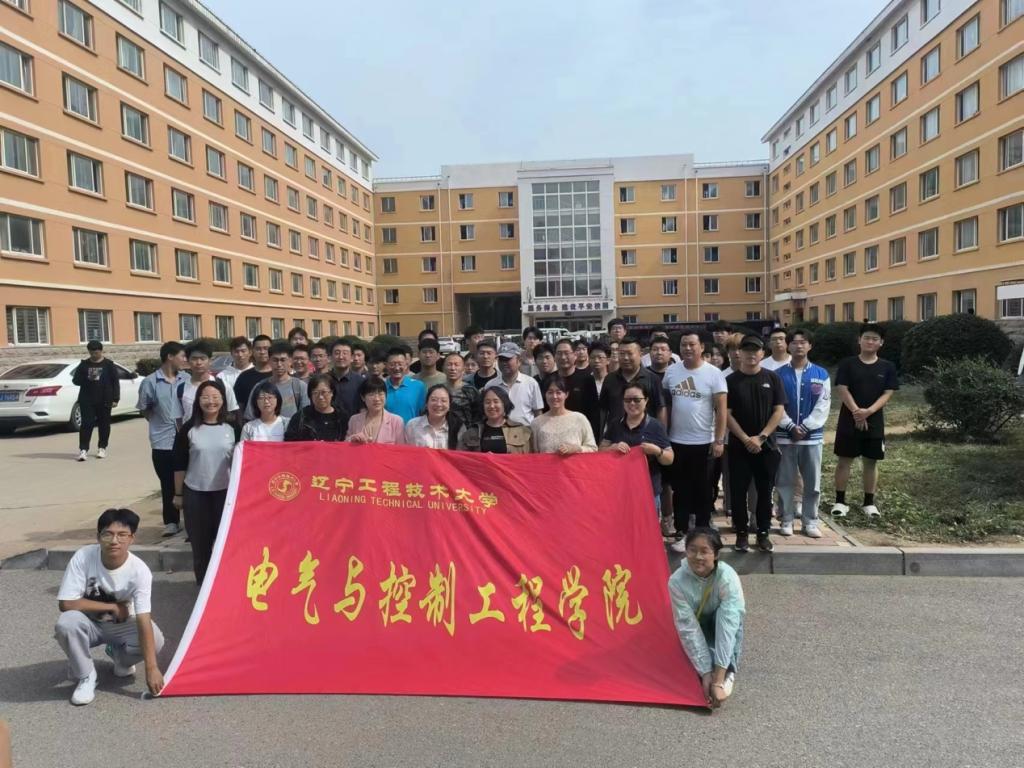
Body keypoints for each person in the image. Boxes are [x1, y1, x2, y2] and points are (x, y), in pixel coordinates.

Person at [55, 508, 165, 706]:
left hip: (121, 625)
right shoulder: (83, 557)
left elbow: (143, 618)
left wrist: (152, 668)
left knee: (156, 639)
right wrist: (112, 607)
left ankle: (120, 659)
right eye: (108, 534)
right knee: (66, 623)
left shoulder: (140, 571)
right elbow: (66, 603)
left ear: (132, 538)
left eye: (122, 535)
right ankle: (86, 676)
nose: (114, 541)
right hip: (89, 623)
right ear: (98, 537)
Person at [662, 331, 728, 545]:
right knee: (680, 488)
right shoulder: (671, 371)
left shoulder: (713, 373)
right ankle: (681, 530)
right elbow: (666, 406)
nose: (688, 348)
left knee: (704, 489)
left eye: (692, 344)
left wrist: (719, 440)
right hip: (676, 440)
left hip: (704, 441)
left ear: (701, 348)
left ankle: (702, 530)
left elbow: (721, 410)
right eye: (684, 344)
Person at [668, 528, 745, 710]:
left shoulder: (727, 577)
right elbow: (687, 627)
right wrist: (705, 672)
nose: (698, 557)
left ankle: (729, 671)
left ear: (716, 555)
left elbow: (728, 625)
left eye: (705, 551)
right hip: (697, 624)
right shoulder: (676, 581)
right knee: (692, 670)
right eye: (692, 550)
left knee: (727, 622)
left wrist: (718, 679)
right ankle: (708, 667)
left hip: (721, 623)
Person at [173, 381, 239, 584]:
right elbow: (179, 464)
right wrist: (178, 494)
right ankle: (203, 587)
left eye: (216, 397)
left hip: (225, 494)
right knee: (200, 546)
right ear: (198, 401)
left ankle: (224, 586)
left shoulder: (233, 427)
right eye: (205, 397)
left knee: (225, 543)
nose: (211, 402)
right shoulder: (189, 428)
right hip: (195, 494)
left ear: (223, 400)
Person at [831, 323, 898, 519]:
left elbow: (888, 393)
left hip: (874, 420)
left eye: (875, 339)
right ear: (859, 340)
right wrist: (856, 412)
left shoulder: (887, 367)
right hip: (848, 419)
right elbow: (842, 389)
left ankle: (869, 503)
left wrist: (868, 412)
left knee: (871, 461)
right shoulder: (847, 364)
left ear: (881, 343)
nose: (870, 341)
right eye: (866, 338)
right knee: (844, 460)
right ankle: (840, 501)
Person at [726, 335, 786, 553]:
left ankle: (763, 532)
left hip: (766, 446)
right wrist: (745, 439)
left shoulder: (773, 378)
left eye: (755, 350)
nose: (751, 354)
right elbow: (726, 413)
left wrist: (761, 437)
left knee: (765, 491)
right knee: (738, 492)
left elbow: (778, 410)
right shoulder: (730, 381)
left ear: (762, 353)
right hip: (738, 446)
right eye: (746, 350)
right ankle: (741, 533)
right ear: (739, 353)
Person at [775, 329, 830, 538]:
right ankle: (786, 519)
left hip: (811, 439)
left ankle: (810, 521)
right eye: (795, 342)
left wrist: (806, 427)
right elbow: (776, 406)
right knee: (785, 481)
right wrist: (790, 426)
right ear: (788, 346)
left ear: (810, 346)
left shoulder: (821, 374)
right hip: (785, 437)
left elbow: (823, 405)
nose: (799, 346)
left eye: (803, 342)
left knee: (812, 483)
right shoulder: (778, 374)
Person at [136, 341, 187, 537]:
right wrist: (159, 423)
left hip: (185, 440)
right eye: (182, 356)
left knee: (188, 482)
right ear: (170, 357)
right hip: (162, 442)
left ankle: (190, 521)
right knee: (167, 484)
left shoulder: (186, 379)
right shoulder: (150, 382)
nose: (185, 360)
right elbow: (144, 409)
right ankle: (171, 522)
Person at [600, 382, 674, 513]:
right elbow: (600, 451)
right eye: (627, 400)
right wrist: (612, 448)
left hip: (648, 491)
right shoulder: (615, 424)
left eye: (637, 400)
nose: (632, 404)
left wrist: (657, 451)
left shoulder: (656, 426)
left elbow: (669, 458)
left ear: (646, 400)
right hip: (619, 490)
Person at [599, 336, 666, 431]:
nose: (625, 358)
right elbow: (603, 409)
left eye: (630, 354)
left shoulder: (652, 379)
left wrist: (661, 434)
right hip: (616, 435)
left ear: (640, 354)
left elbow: (660, 408)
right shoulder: (610, 379)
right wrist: (600, 435)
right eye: (622, 354)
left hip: (645, 435)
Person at [72, 340, 120, 461]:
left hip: (105, 399)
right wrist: (87, 377)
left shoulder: (109, 365)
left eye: (96, 353)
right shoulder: (84, 365)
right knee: (86, 424)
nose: (94, 355)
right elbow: (75, 381)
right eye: (91, 353)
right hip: (87, 399)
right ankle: (83, 449)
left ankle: (102, 448)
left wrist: (115, 398)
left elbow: (115, 382)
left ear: (101, 351)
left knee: (104, 424)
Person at [176, 341, 239, 429]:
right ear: (188, 361)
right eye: (194, 359)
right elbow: (178, 418)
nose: (199, 362)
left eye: (203, 358)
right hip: (190, 435)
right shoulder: (180, 389)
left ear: (210, 360)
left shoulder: (223, 385)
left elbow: (233, 413)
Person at [549, 338, 601, 437]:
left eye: (567, 353)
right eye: (559, 353)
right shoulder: (550, 380)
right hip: (555, 431)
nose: (563, 357)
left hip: (580, 433)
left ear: (575, 355)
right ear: (554, 356)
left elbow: (594, 413)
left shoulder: (587, 379)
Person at [531, 377, 598, 455]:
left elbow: (593, 448)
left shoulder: (579, 419)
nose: (554, 396)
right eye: (550, 392)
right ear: (545, 395)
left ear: (566, 394)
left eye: (558, 393)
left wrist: (577, 449)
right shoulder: (536, 423)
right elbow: (533, 454)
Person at [243, 341, 308, 420]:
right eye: (275, 360)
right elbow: (250, 417)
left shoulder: (300, 386)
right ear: (269, 361)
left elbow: (306, 417)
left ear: (290, 361)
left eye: (283, 360)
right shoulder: (260, 387)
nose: (279, 364)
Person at [484, 343, 544, 426]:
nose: (504, 363)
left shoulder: (531, 383)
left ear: (519, 361)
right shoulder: (490, 385)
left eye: (507, 359)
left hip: (525, 431)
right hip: (498, 431)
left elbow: (538, 413)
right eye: (501, 359)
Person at [458, 387, 532, 453]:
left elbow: (529, 458)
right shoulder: (471, 433)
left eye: (496, 401)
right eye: (487, 402)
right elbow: (462, 458)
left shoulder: (521, 431)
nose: (492, 406)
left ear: (504, 404)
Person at [285, 374, 350, 442]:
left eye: (324, 392)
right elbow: (290, 442)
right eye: (315, 393)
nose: (320, 397)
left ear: (332, 393)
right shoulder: (301, 417)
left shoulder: (342, 418)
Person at [346, 376, 406, 445]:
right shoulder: (354, 420)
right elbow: (345, 445)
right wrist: (352, 439)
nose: (377, 399)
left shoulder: (396, 421)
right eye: (371, 394)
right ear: (363, 397)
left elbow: (400, 449)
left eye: (380, 394)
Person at [404, 384, 462, 449]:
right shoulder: (412, 425)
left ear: (449, 405)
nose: (438, 404)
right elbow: (405, 451)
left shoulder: (457, 427)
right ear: (426, 403)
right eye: (434, 400)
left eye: (443, 401)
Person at [383, 347, 427, 423]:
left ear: (406, 365)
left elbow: (423, 413)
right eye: (392, 364)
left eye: (400, 364)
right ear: (386, 365)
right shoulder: (381, 387)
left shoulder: (418, 386)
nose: (397, 368)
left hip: (412, 430)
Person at [233, 335, 272, 411]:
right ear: (252, 352)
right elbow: (239, 406)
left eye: (266, 348)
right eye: (258, 349)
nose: (262, 352)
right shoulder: (243, 377)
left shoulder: (278, 375)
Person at [328, 339, 365, 415]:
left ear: (352, 358)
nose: (341, 357)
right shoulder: (323, 380)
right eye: (337, 353)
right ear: (330, 357)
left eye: (345, 353)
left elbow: (363, 409)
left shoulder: (361, 382)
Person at [444, 352, 480, 428]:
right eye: (449, 364)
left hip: (466, 432)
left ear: (463, 369)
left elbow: (478, 416)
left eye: (456, 365)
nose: (453, 368)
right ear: (443, 368)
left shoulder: (471, 391)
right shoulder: (438, 390)